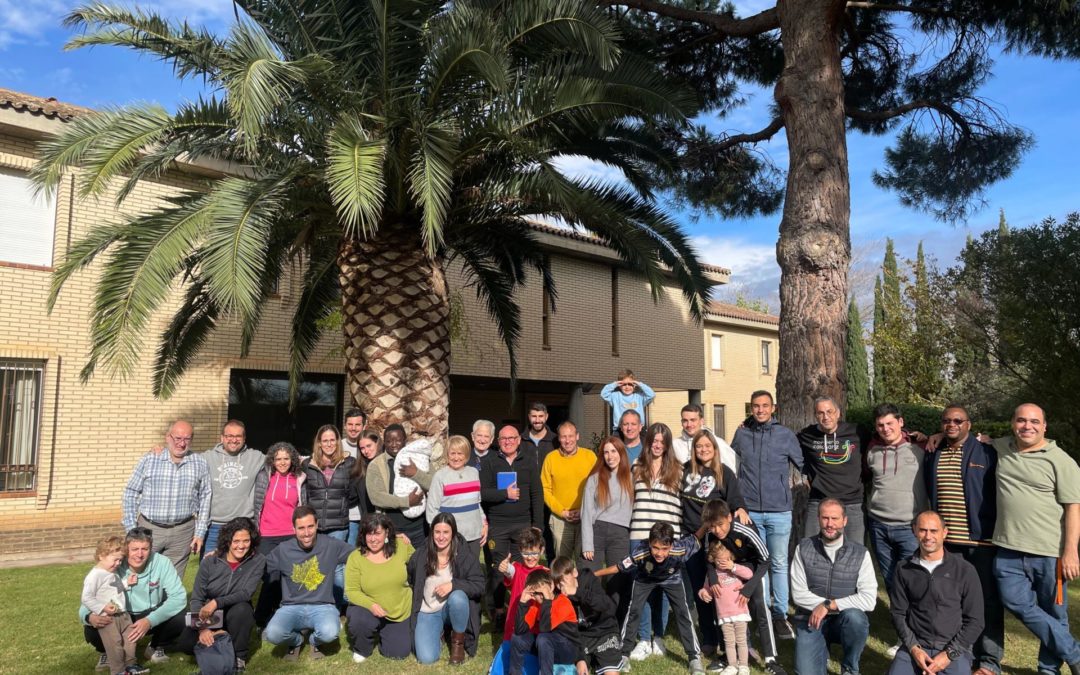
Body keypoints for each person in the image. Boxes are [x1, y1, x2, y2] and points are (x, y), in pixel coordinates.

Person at [991, 403, 1080, 675]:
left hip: (1049, 552)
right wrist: (930, 437)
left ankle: (1048, 670)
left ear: (1044, 427)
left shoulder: (1060, 460)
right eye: (1021, 420)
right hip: (1007, 550)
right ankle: (1075, 655)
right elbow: (970, 438)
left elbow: (1073, 507)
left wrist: (1071, 552)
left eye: (1033, 421)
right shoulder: (1002, 448)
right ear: (1012, 424)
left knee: (1054, 614)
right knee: (1015, 602)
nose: (1027, 426)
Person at [923, 404, 1002, 675]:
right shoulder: (934, 453)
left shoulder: (987, 452)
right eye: (946, 420)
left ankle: (989, 662)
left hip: (980, 543)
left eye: (958, 420)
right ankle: (961, 656)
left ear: (968, 424)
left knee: (986, 602)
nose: (951, 424)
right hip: (948, 545)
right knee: (953, 603)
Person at [730, 390, 803, 640]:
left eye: (765, 406)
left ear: (774, 408)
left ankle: (780, 615)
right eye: (755, 406)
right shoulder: (742, 433)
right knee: (756, 565)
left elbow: (804, 463)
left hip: (779, 511)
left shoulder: (785, 435)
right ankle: (760, 610)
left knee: (779, 563)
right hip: (750, 512)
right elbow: (730, 465)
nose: (760, 410)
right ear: (751, 408)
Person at [598, 521, 706, 675]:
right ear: (649, 543)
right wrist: (593, 574)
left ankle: (694, 658)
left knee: (683, 613)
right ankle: (624, 654)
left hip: (672, 579)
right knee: (634, 610)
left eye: (664, 549)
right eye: (655, 547)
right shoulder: (640, 552)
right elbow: (619, 567)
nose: (659, 553)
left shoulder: (680, 548)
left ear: (671, 545)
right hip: (645, 579)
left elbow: (696, 537)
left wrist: (707, 523)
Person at [680, 428, 748, 662]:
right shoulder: (685, 470)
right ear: (694, 449)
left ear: (714, 448)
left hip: (716, 540)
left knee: (720, 588)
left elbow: (736, 500)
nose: (703, 450)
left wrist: (739, 509)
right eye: (699, 446)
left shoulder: (724, 472)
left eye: (707, 446)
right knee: (702, 590)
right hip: (691, 538)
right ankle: (709, 638)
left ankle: (730, 637)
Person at [889, 511, 984, 675]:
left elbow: (975, 621)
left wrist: (949, 655)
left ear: (944, 532)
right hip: (916, 646)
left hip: (952, 648)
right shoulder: (903, 569)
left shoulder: (965, 570)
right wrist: (914, 648)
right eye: (922, 530)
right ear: (914, 530)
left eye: (934, 531)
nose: (928, 536)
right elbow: (898, 613)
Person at [790, 499, 877, 675]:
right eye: (825, 518)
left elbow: (869, 600)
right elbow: (798, 594)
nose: (830, 524)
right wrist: (821, 607)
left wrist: (828, 605)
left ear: (844, 521)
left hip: (843, 619)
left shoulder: (861, 553)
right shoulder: (803, 548)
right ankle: (821, 648)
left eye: (835, 519)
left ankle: (850, 668)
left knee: (856, 619)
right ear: (819, 519)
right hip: (811, 619)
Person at [80, 527, 187, 669]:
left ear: (151, 548)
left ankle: (156, 646)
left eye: (145, 549)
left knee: (183, 618)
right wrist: (89, 618)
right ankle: (107, 652)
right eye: (134, 549)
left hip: (151, 613)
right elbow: (86, 603)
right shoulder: (115, 564)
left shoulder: (162, 562)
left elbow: (179, 597)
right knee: (92, 629)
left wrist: (150, 620)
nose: (140, 554)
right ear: (126, 549)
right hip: (121, 615)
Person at [702, 500, 787, 675]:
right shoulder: (710, 534)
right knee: (720, 606)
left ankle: (771, 658)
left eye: (720, 525)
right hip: (727, 570)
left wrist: (749, 588)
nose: (717, 530)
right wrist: (713, 579)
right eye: (712, 527)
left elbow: (765, 560)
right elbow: (708, 558)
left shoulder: (744, 528)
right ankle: (728, 655)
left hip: (752, 569)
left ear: (729, 517)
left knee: (760, 608)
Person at [263, 505, 353, 660]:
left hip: (323, 605)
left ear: (317, 525)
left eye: (310, 526)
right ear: (294, 529)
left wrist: (389, 541)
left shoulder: (331, 545)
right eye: (301, 528)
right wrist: (224, 554)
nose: (306, 533)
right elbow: (259, 566)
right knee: (272, 634)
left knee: (330, 633)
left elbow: (359, 554)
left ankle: (314, 640)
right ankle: (296, 640)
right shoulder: (283, 549)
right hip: (291, 606)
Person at [121, 419, 210, 577]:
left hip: (183, 532)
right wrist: (131, 530)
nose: (182, 444)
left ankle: (167, 603)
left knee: (172, 581)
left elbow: (205, 497)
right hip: (149, 529)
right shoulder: (149, 459)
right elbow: (131, 492)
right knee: (141, 577)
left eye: (187, 439)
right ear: (168, 437)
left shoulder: (200, 462)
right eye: (178, 438)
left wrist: (200, 532)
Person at [176, 517, 265, 672]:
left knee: (243, 609)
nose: (241, 546)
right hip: (210, 615)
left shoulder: (258, 560)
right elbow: (197, 597)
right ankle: (221, 638)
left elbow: (246, 593)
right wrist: (203, 628)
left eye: (246, 541)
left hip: (235, 614)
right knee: (185, 643)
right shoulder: (210, 561)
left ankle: (239, 657)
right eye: (236, 541)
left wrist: (216, 602)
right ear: (228, 541)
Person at [626, 422, 684, 660]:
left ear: (668, 445)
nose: (658, 445)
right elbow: (628, 500)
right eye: (654, 441)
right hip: (640, 534)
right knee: (642, 590)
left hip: (668, 539)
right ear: (648, 442)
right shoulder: (637, 467)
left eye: (662, 442)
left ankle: (658, 636)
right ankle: (643, 638)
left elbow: (684, 505)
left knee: (663, 590)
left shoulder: (679, 470)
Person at [480, 424, 544, 621]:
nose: (508, 442)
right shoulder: (490, 461)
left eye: (511, 438)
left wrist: (537, 525)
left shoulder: (528, 461)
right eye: (503, 439)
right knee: (498, 568)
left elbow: (536, 494)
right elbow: (482, 493)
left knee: (520, 568)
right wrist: (504, 494)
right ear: (498, 442)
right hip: (497, 525)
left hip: (523, 524)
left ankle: (520, 606)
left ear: (518, 440)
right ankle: (498, 610)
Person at [865, 404, 926, 602]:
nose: (885, 429)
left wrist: (938, 436)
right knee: (889, 575)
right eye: (880, 425)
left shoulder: (921, 447)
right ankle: (900, 617)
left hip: (909, 525)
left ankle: (915, 618)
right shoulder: (872, 450)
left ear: (900, 422)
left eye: (890, 423)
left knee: (910, 576)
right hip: (878, 525)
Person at [408, 512, 486, 665]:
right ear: (432, 533)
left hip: (453, 608)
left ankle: (457, 644)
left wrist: (453, 585)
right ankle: (441, 633)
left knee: (458, 597)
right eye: (437, 532)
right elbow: (410, 576)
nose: (441, 537)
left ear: (453, 533)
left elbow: (480, 585)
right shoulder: (421, 554)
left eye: (446, 532)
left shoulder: (464, 555)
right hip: (429, 610)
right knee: (426, 658)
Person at [796, 397, 869, 543]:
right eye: (820, 413)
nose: (826, 417)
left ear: (838, 413)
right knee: (811, 548)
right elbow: (782, 441)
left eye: (830, 411)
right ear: (816, 415)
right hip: (819, 501)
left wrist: (920, 437)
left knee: (856, 551)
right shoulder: (807, 436)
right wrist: (749, 424)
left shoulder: (857, 433)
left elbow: (885, 438)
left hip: (852, 503)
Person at [345, 513, 415, 663]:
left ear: (387, 533)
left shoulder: (402, 546)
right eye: (368, 534)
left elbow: (419, 563)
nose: (373, 539)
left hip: (398, 609)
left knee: (398, 653)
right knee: (359, 620)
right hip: (368, 608)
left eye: (377, 533)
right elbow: (351, 591)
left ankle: (386, 632)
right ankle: (362, 647)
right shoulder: (355, 557)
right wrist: (371, 606)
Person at [252, 441, 307, 628]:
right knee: (270, 576)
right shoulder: (265, 476)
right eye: (278, 459)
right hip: (267, 535)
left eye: (286, 458)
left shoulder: (299, 478)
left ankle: (287, 617)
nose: (282, 462)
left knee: (291, 577)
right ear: (272, 461)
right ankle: (260, 619)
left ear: (292, 459)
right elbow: (257, 505)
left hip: (291, 535)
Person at [81, 536, 144, 675]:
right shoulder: (94, 576)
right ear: (101, 556)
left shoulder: (111, 572)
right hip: (108, 618)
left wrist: (127, 583)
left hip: (123, 614)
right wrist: (102, 607)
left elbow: (114, 588)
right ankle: (118, 671)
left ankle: (131, 666)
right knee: (114, 645)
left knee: (130, 639)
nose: (118, 563)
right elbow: (86, 598)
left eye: (120, 560)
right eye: (115, 559)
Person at [202, 420, 263, 558]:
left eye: (238, 436)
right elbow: (184, 458)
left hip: (244, 526)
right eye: (229, 436)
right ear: (222, 437)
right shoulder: (207, 458)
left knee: (241, 573)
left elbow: (283, 459)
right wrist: (161, 450)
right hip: (214, 527)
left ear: (244, 438)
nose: (234, 440)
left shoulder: (256, 457)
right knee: (210, 570)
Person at [551, 556, 621, 675]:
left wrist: (577, 592)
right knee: (579, 671)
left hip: (604, 631)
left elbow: (609, 607)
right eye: (558, 583)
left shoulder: (588, 579)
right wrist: (580, 658)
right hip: (581, 638)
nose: (562, 586)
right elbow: (568, 632)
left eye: (565, 579)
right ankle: (589, 659)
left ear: (574, 572)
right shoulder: (558, 596)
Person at [367, 424, 432, 545]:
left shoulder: (419, 458)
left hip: (420, 528)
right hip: (392, 529)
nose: (393, 444)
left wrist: (416, 473)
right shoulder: (376, 465)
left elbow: (434, 485)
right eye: (389, 441)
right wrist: (406, 501)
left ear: (405, 440)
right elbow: (376, 497)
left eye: (398, 440)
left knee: (420, 563)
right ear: (384, 442)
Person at [511, 569, 585, 675]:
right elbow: (519, 630)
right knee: (517, 638)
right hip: (546, 648)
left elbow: (545, 628)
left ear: (551, 586)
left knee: (543, 638)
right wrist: (522, 603)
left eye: (542, 592)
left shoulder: (563, 602)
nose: (540, 596)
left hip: (568, 649)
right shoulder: (536, 604)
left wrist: (547, 600)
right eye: (536, 593)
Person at [697, 540, 754, 675]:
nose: (724, 564)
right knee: (728, 642)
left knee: (741, 640)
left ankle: (744, 665)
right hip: (723, 615)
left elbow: (749, 574)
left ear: (732, 557)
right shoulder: (712, 575)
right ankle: (732, 665)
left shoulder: (735, 569)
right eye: (720, 561)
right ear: (713, 559)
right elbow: (706, 588)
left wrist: (733, 566)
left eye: (727, 560)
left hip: (740, 612)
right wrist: (703, 593)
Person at [541, 421, 596, 559]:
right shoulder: (551, 458)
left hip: (585, 517)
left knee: (584, 560)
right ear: (559, 438)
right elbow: (545, 489)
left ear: (577, 436)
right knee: (562, 563)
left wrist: (584, 510)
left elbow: (598, 486)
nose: (567, 440)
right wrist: (562, 511)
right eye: (564, 437)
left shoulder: (589, 456)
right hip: (560, 519)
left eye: (571, 436)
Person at [426, 435, 486, 560]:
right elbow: (432, 509)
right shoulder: (440, 476)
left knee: (471, 571)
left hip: (474, 534)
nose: (456, 457)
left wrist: (484, 524)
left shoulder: (474, 473)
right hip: (451, 536)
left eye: (460, 453)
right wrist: (439, 534)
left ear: (466, 455)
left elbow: (477, 504)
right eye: (452, 453)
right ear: (447, 455)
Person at [580, 436, 634, 575]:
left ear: (621, 453)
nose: (610, 456)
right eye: (606, 452)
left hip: (621, 535)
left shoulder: (631, 478)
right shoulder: (594, 479)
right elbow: (586, 512)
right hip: (597, 531)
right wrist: (587, 544)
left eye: (614, 451)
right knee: (589, 578)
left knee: (618, 580)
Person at [302, 424, 358, 541]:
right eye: (325, 441)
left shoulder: (349, 463)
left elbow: (354, 493)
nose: (329, 444)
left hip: (338, 526)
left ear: (338, 442)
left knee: (335, 559)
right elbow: (304, 493)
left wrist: (342, 505)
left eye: (332, 440)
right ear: (319, 443)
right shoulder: (307, 465)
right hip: (314, 525)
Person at [498, 526, 549, 643]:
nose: (530, 558)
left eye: (534, 553)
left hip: (536, 627)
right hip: (513, 626)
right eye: (526, 554)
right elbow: (510, 571)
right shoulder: (517, 568)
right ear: (520, 550)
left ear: (541, 550)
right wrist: (505, 568)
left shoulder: (546, 573)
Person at [674, 403, 737, 470]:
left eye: (693, 420)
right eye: (685, 421)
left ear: (702, 421)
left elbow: (734, 468)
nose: (689, 424)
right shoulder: (675, 445)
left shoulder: (717, 442)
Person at [341, 408, 369, 544]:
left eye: (357, 425)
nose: (353, 428)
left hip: (365, 515)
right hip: (344, 515)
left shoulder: (370, 447)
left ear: (364, 426)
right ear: (345, 425)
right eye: (350, 424)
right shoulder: (337, 447)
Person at [525, 402, 558, 466]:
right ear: (529, 417)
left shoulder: (556, 440)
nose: (537, 420)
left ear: (546, 416)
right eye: (534, 416)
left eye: (541, 416)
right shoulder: (520, 440)